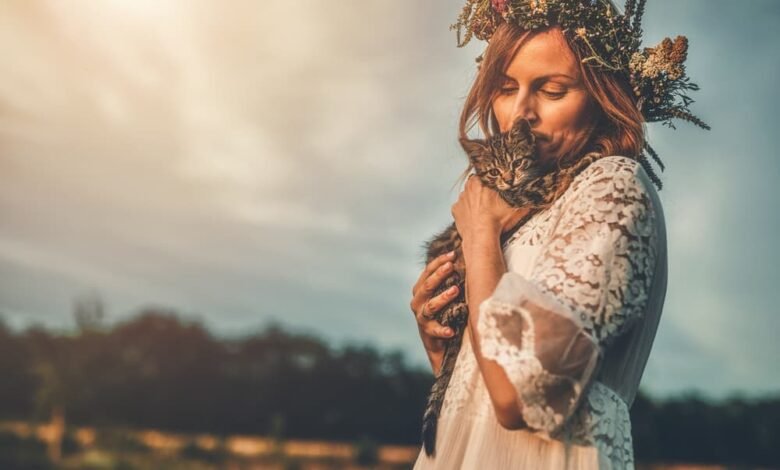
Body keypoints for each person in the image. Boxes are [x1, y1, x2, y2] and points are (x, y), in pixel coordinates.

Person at [409, 0, 708, 468]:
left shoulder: (612, 188)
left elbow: (519, 397)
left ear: (601, 97)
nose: (521, 113)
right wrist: (442, 344)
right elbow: (483, 393)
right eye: (507, 88)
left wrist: (480, 233)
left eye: (551, 90)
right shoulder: (522, 203)